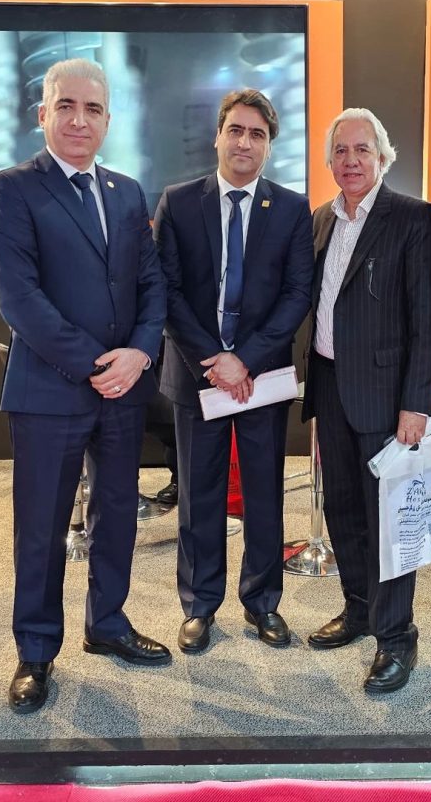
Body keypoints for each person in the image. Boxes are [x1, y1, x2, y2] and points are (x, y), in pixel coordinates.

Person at [0, 58, 170, 715]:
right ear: (43, 114)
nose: (79, 120)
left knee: (116, 515)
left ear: (108, 119)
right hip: (50, 391)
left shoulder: (127, 193)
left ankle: (107, 623)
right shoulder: (10, 190)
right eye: (66, 106)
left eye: (92, 109)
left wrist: (140, 353)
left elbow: (151, 283)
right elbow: (20, 301)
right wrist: (98, 365)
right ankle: (35, 652)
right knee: (42, 527)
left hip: (123, 390)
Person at [153, 89, 313, 654]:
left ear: (269, 146)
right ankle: (199, 606)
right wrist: (214, 359)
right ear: (218, 136)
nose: (245, 142)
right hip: (197, 374)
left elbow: (297, 294)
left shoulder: (291, 209)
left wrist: (244, 358)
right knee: (199, 494)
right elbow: (167, 290)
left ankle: (263, 602)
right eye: (236, 130)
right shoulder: (177, 202)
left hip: (260, 376)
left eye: (257, 134)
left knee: (265, 493)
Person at [302, 108, 431, 694]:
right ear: (330, 161)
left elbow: (427, 321)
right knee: (341, 507)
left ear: (383, 158)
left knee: (390, 518)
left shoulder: (414, 218)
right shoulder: (321, 219)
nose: (351, 160)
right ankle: (359, 608)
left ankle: (396, 636)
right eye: (341, 151)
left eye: (363, 149)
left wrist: (417, 403)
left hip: (387, 397)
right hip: (330, 385)